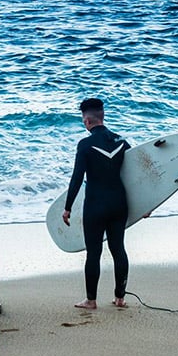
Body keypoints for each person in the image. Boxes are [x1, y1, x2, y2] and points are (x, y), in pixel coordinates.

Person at [62, 98, 132, 310]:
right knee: (118, 249)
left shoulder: (85, 145)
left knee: (94, 253)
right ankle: (120, 298)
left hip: (95, 205)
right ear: (102, 117)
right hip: (119, 203)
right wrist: (147, 205)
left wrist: (67, 207)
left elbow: (76, 178)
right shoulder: (122, 141)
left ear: (86, 121)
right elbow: (136, 176)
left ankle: (91, 300)